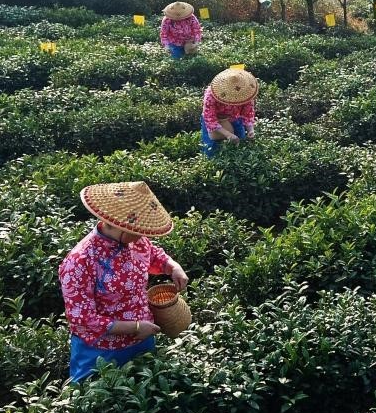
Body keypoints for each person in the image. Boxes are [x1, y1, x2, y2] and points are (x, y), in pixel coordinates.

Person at [58, 181, 189, 382]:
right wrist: (134, 327)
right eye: (138, 230)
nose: (143, 235)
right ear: (120, 226)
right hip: (101, 351)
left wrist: (172, 266)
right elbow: (82, 318)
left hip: (143, 338)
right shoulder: (80, 261)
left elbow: (154, 255)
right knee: (97, 397)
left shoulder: (136, 241)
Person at [201, 68, 258, 157]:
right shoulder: (211, 95)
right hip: (216, 120)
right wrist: (228, 135)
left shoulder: (246, 93)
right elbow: (210, 120)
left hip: (236, 118)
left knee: (240, 143)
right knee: (212, 147)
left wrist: (250, 130)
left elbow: (248, 114)